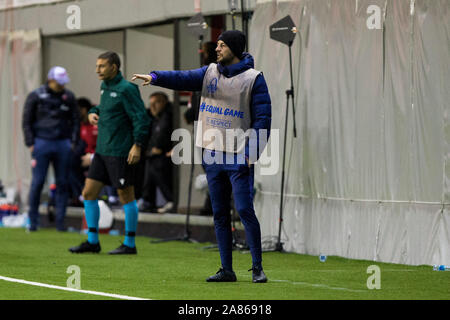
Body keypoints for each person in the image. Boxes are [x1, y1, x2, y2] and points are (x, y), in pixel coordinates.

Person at [132, 30, 271, 283]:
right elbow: (181, 78)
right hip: (212, 154)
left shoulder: (254, 79)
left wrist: (252, 154)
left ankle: (257, 267)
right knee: (218, 213)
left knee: (243, 209)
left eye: (222, 45)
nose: (216, 49)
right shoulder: (209, 72)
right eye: (217, 45)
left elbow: (263, 120)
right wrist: (154, 77)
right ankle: (226, 269)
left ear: (235, 48)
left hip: (239, 156)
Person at [69, 51, 150, 254]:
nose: (97, 70)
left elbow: (141, 118)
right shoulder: (105, 86)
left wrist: (137, 145)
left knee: (126, 196)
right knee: (88, 193)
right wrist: (92, 113)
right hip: (102, 151)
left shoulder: (127, 89)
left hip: (121, 152)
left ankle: (130, 244)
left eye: (102, 66)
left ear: (114, 67)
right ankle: (93, 241)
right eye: (97, 66)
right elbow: (104, 108)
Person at [22, 66, 79, 232]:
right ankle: (33, 222)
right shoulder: (36, 95)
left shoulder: (69, 96)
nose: (62, 86)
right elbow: (26, 120)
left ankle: (60, 224)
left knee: (63, 183)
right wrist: (31, 142)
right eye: (59, 83)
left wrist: (72, 142)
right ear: (51, 80)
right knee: (38, 182)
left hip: (63, 143)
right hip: (42, 142)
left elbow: (75, 120)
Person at [140, 92, 175, 213]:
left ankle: (171, 200)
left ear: (164, 102)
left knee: (156, 165)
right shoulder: (155, 119)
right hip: (158, 155)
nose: (152, 107)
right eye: (151, 104)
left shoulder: (170, 116)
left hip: (173, 154)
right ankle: (147, 200)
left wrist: (162, 148)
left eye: (156, 103)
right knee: (148, 162)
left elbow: (165, 137)